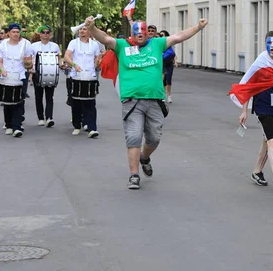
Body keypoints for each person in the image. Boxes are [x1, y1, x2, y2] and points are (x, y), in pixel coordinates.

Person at [86, 15, 208, 190]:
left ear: (148, 34)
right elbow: (104, 38)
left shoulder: (157, 44)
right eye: (137, 32)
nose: (140, 34)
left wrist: (198, 27)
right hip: (132, 101)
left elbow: (178, 36)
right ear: (132, 34)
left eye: (143, 32)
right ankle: (134, 175)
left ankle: (144, 157)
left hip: (155, 101)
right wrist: (92, 28)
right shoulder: (122, 46)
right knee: (134, 137)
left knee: (154, 138)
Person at [238, 31, 273, 193]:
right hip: (263, 108)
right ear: (265, 44)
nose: (272, 46)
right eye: (269, 43)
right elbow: (247, 87)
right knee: (272, 142)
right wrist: (244, 111)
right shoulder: (260, 63)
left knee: (267, 141)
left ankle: (257, 172)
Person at [0, 23, 33, 137]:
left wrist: (27, 62)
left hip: (20, 76)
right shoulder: (2, 45)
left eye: (17, 32)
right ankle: (9, 124)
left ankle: (17, 126)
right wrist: (1, 70)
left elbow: (30, 65)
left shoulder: (26, 44)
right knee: (7, 101)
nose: (16, 34)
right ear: (8, 33)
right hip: (6, 76)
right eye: (13, 32)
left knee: (19, 101)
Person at [64, 26, 101, 138]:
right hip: (76, 76)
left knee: (90, 103)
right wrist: (74, 65)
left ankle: (92, 128)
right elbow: (66, 56)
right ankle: (77, 125)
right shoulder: (73, 43)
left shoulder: (94, 44)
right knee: (76, 102)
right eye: (80, 29)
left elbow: (98, 58)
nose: (82, 31)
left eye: (84, 29)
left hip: (90, 76)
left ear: (89, 31)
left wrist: (98, 62)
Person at [29, 25, 61, 127]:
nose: (45, 34)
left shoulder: (55, 46)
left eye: (48, 32)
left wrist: (62, 66)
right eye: (43, 32)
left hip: (51, 74)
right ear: (40, 34)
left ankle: (49, 117)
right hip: (37, 73)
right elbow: (29, 59)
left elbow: (59, 59)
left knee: (49, 97)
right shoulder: (33, 46)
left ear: (50, 34)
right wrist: (30, 70)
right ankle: (41, 118)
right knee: (38, 97)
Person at [159, 30, 177, 103]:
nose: (161, 36)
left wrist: (175, 62)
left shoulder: (168, 45)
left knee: (168, 79)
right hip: (162, 63)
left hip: (169, 63)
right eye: (160, 35)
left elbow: (173, 54)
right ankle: (163, 95)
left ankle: (168, 95)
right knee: (163, 80)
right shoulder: (159, 44)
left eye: (162, 35)